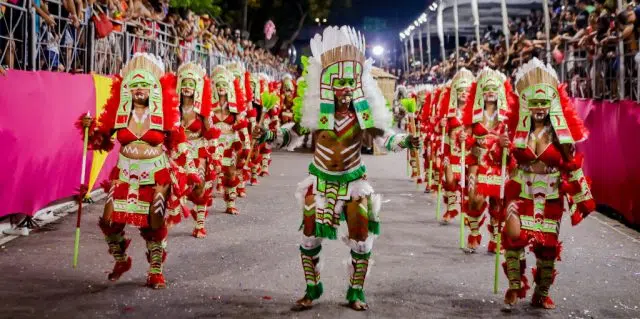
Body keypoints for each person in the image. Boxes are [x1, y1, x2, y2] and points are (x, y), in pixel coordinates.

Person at [253, 26, 420, 311]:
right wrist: (268, 136)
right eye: (338, 82)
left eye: (348, 82)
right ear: (327, 83)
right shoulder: (317, 113)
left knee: (360, 232)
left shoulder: (363, 114)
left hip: (353, 181)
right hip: (320, 181)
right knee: (309, 234)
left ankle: (356, 292)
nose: (343, 89)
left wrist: (406, 140)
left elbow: (385, 136)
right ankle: (312, 288)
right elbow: (292, 134)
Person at [78, 53, 185, 289]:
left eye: (144, 86)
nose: (139, 90)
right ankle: (121, 260)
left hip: (155, 175)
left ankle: (155, 270)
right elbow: (100, 141)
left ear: (153, 89)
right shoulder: (120, 114)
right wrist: (89, 128)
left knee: (154, 224)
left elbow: (179, 144)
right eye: (134, 85)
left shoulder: (165, 114)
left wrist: (189, 172)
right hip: (124, 173)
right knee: (108, 221)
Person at [500, 58, 595, 310]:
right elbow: (498, 159)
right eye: (534, 104)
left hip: (550, 197)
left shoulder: (561, 137)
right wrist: (500, 146)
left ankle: (540, 294)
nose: (539, 108)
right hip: (520, 192)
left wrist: (582, 199)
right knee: (513, 238)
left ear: (552, 104)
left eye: (544, 103)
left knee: (547, 252)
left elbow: (572, 166)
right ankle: (513, 285)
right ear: (526, 105)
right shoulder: (516, 130)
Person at [461, 67, 516, 252]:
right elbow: (467, 137)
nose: (490, 92)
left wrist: (506, 143)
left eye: (494, 89)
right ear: (481, 93)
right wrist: (464, 138)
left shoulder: (506, 117)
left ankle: (495, 239)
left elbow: (514, 140)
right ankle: (474, 234)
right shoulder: (474, 115)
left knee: (497, 202)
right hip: (478, 162)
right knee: (474, 199)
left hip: (497, 163)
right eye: (487, 89)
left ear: (500, 91)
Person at [173, 62, 221, 238]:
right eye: (184, 83)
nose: (187, 87)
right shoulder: (173, 107)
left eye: (191, 84)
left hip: (198, 149)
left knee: (200, 187)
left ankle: (199, 224)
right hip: (177, 152)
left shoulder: (202, 110)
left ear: (197, 88)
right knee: (174, 186)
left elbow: (211, 133)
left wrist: (215, 157)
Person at [210, 65, 247, 214]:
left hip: (230, 142)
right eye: (218, 85)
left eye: (224, 85)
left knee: (230, 173)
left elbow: (241, 125)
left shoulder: (235, 105)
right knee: (208, 175)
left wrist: (247, 144)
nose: (221, 88)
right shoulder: (208, 106)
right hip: (213, 143)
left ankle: (230, 203)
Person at [439, 68, 474, 224]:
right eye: (460, 90)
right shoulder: (449, 110)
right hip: (451, 151)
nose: (464, 93)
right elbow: (439, 129)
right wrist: (442, 125)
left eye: (467, 91)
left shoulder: (475, 112)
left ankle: (467, 213)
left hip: (468, 152)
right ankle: (451, 208)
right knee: (450, 180)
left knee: (467, 182)